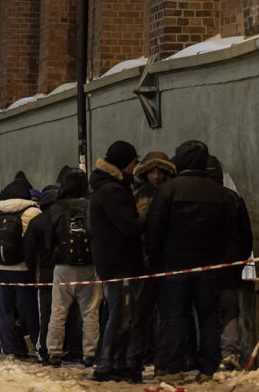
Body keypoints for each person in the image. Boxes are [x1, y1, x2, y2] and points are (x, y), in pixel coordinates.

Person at [147, 141, 240, 383]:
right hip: (209, 266)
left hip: (174, 266)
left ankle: (175, 367)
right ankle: (207, 370)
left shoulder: (168, 191)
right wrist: (222, 262)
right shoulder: (220, 194)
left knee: (175, 315)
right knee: (208, 317)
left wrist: (156, 264)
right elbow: (231, 234)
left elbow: (155, 230)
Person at [88, 140, 145, 382]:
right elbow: (129, 226)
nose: (135, 167)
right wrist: (149, 216)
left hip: (112, 262)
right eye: (133, 162)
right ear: (125, 163)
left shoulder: (108, 187)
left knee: (118, 315)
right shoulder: (113, 191)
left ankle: (114, 363)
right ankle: (108, 365)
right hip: (118, 263)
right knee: (120, 317)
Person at [39, 171, 102, 368]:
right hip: (89, 266)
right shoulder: (90, 205)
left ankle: (54, 352)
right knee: (90, 312)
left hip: (63, 266)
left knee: (58, 311)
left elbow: (49, 239)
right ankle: (90, 353)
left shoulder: (57, 208)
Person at [0, 179, 42, 360]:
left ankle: (9, 348)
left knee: (4, 309)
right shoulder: (33, 211)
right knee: (30, 309)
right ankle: (37, 346)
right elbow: (37, 243)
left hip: (0, 268)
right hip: (24, 268)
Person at [132, 150, 177, 375]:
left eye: (160, 171)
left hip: (167, 264)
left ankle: (162, 363)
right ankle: (137, 363)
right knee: (140, 315)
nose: (156, 176)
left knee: (166, 316)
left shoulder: (172, 193)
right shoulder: (138, 194)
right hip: (146, 265)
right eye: (152, 171)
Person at [207, 156, 253, 371]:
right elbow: (246, 235)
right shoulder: (232, 198)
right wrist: (240, 260)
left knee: (204, 311)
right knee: (230, 311)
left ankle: (207, 352)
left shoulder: (197, 199)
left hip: (203, 265)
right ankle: (229, 353)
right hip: (229, 265)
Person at [23, 184, 61, 363]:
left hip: (45, 273)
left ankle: (45, 349)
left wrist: (32, 271)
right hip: (66, 271)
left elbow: (29, 251)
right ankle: (71, 349)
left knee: (46, 314)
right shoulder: (64, 217)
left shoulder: (37, 221)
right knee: (67, 312)